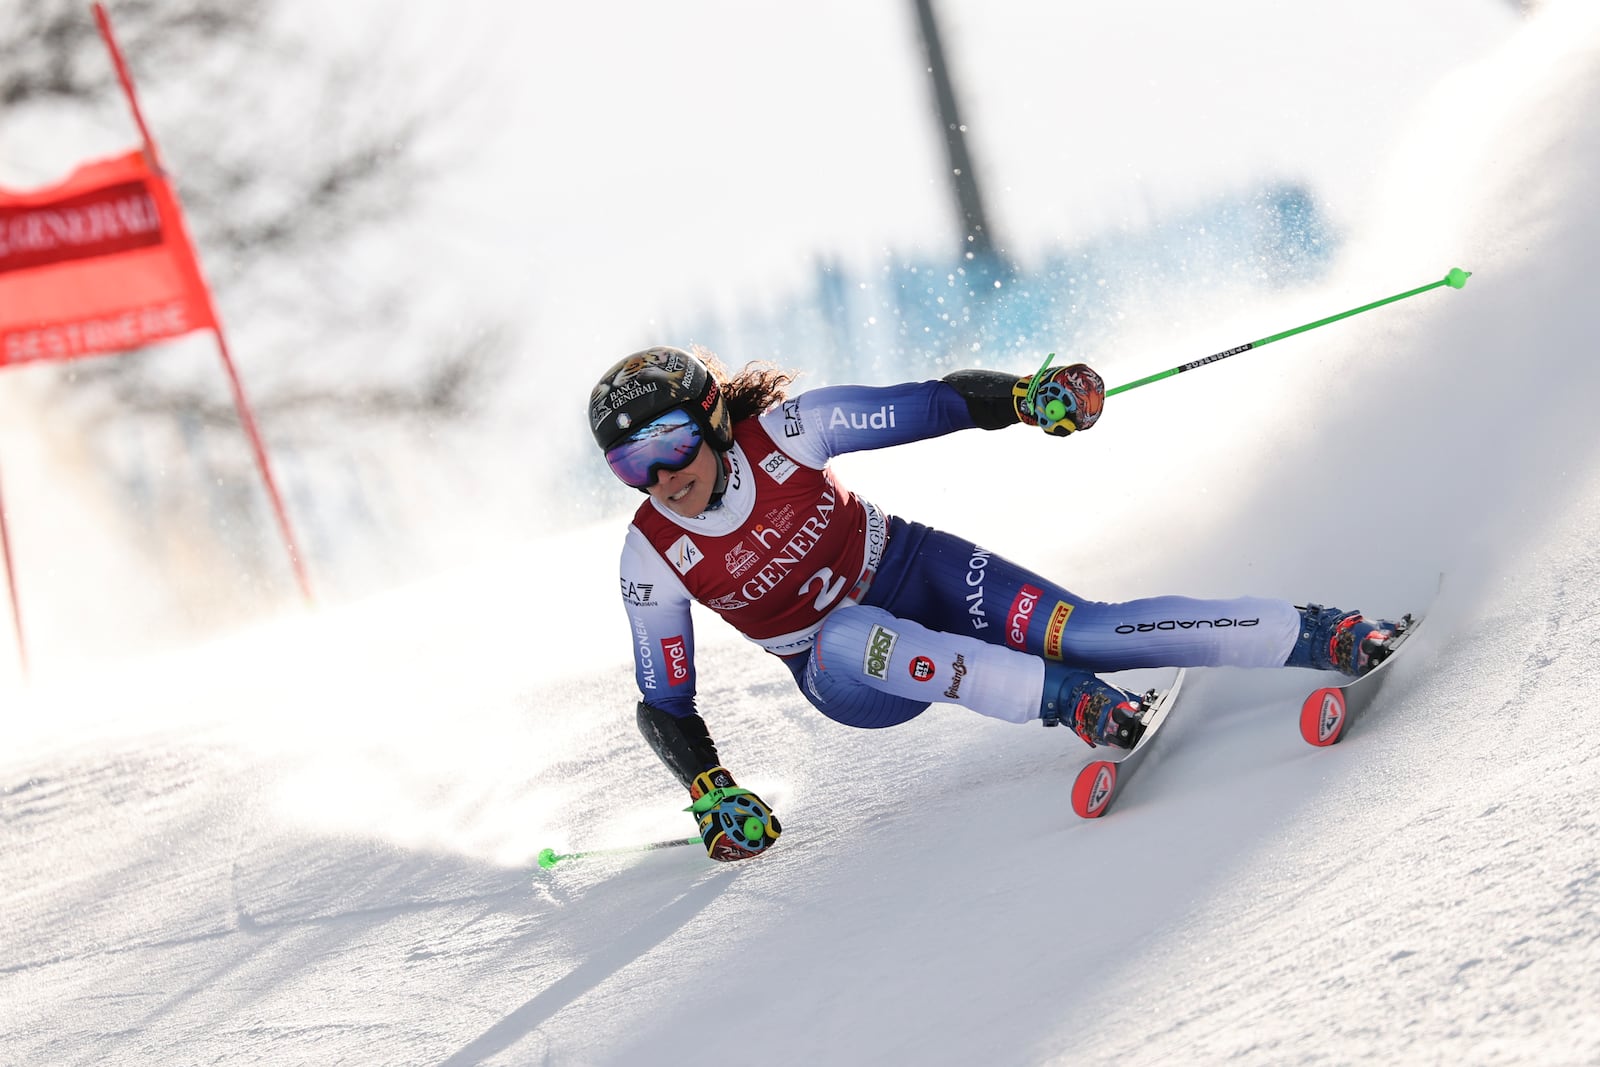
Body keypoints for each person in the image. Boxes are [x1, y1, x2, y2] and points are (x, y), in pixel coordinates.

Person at [590, 345, 1401, 862]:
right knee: (845, 633)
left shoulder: (794, 430)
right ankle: (1069, 704)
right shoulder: (653, 554)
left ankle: (1317, 633)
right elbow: (664, 702)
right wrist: (711, 792)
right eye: (632, 465)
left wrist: (1028, 396)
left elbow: (935, 403)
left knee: (1085, 632)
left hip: (918, 567)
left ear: (713, 419)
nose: (662, 477)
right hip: (848, 674)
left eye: (669, 442)